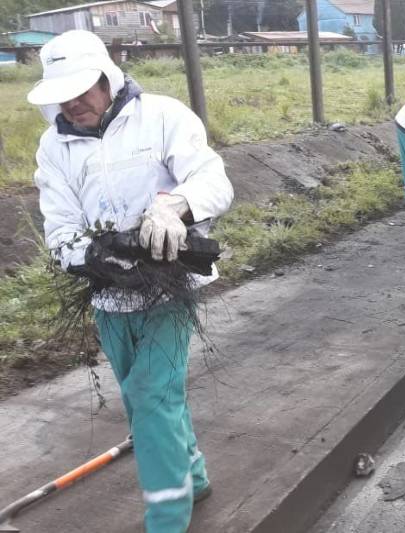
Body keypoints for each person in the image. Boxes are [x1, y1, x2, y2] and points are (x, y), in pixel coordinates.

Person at [28, 30, 233, 532]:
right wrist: (94, 255)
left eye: (82, 88)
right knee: (139, 396)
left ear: (106, 77)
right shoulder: (54, 147)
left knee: (151, 393)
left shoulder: (162, 116)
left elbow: (214, 181)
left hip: (169, 287)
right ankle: (194, 474)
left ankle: (167, 517)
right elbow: (59, 225)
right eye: (62, 93)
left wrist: (174, 206)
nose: (72, 102)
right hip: (108, 293)